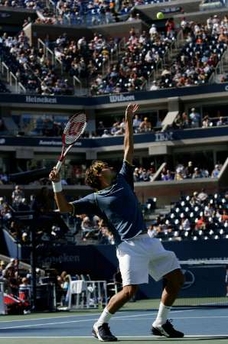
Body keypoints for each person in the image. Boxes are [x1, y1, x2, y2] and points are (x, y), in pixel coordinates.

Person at [49, 103, 185, 341]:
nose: (110, 167)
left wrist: (128, 121)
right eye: (104, 167)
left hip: (147, 240)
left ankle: (160, 323)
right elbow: (64, 208)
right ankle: (100, 325)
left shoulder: (123, 179)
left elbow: (128, 147)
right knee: (129, 291)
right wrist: (56, 184)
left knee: (176, 278)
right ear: (98, 176)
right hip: (128, 246)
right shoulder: (95, 198)